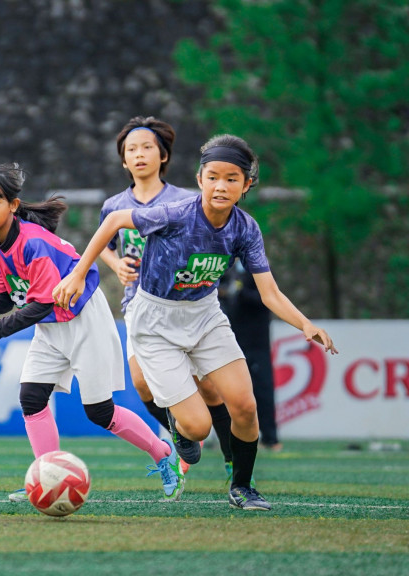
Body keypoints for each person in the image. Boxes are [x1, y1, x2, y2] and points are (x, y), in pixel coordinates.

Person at [53, 134, 338, 511]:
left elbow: (269, 293)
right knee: (198, 427)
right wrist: (78, 274)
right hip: (154, 319)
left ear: (246, 185)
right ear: (200, 179)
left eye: (232, 179)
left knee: (245, 407)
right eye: (213, 177)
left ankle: (242, 487)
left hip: (205, 314)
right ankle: (180, 428)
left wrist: (305, 324)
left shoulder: (245, 228)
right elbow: (117, 221)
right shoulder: (175, 213)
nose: (221, 186)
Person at [0, 163, 184, 503]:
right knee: (31, 398)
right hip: (51, 326)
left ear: (13, 205)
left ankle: (163, 453)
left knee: (100, 412)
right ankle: (46, 477)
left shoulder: (34, 243)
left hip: (84, 320)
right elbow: (9, 298)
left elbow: (42, 304)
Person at [101, 116, 237, 478]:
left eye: (147, 147)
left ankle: (233, 458)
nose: (139, 154)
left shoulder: (186, 200)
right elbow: (106, 245)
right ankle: (182, 431)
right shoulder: (114, 206)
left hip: (186, 305)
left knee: (209, 388)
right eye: (131, 149)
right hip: (139, 305)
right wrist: (116, 264)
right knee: (141, 382)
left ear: (163, 156)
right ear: (123, 160)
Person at [220, 259, 281, 450]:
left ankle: (270, 438)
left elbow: (266, 299)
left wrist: (240, 292)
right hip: (232, 340)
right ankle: (230, 438)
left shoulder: (259, 268)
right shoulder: (225, 269)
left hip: (256, 342)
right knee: (230, 392)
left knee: (262, 391)